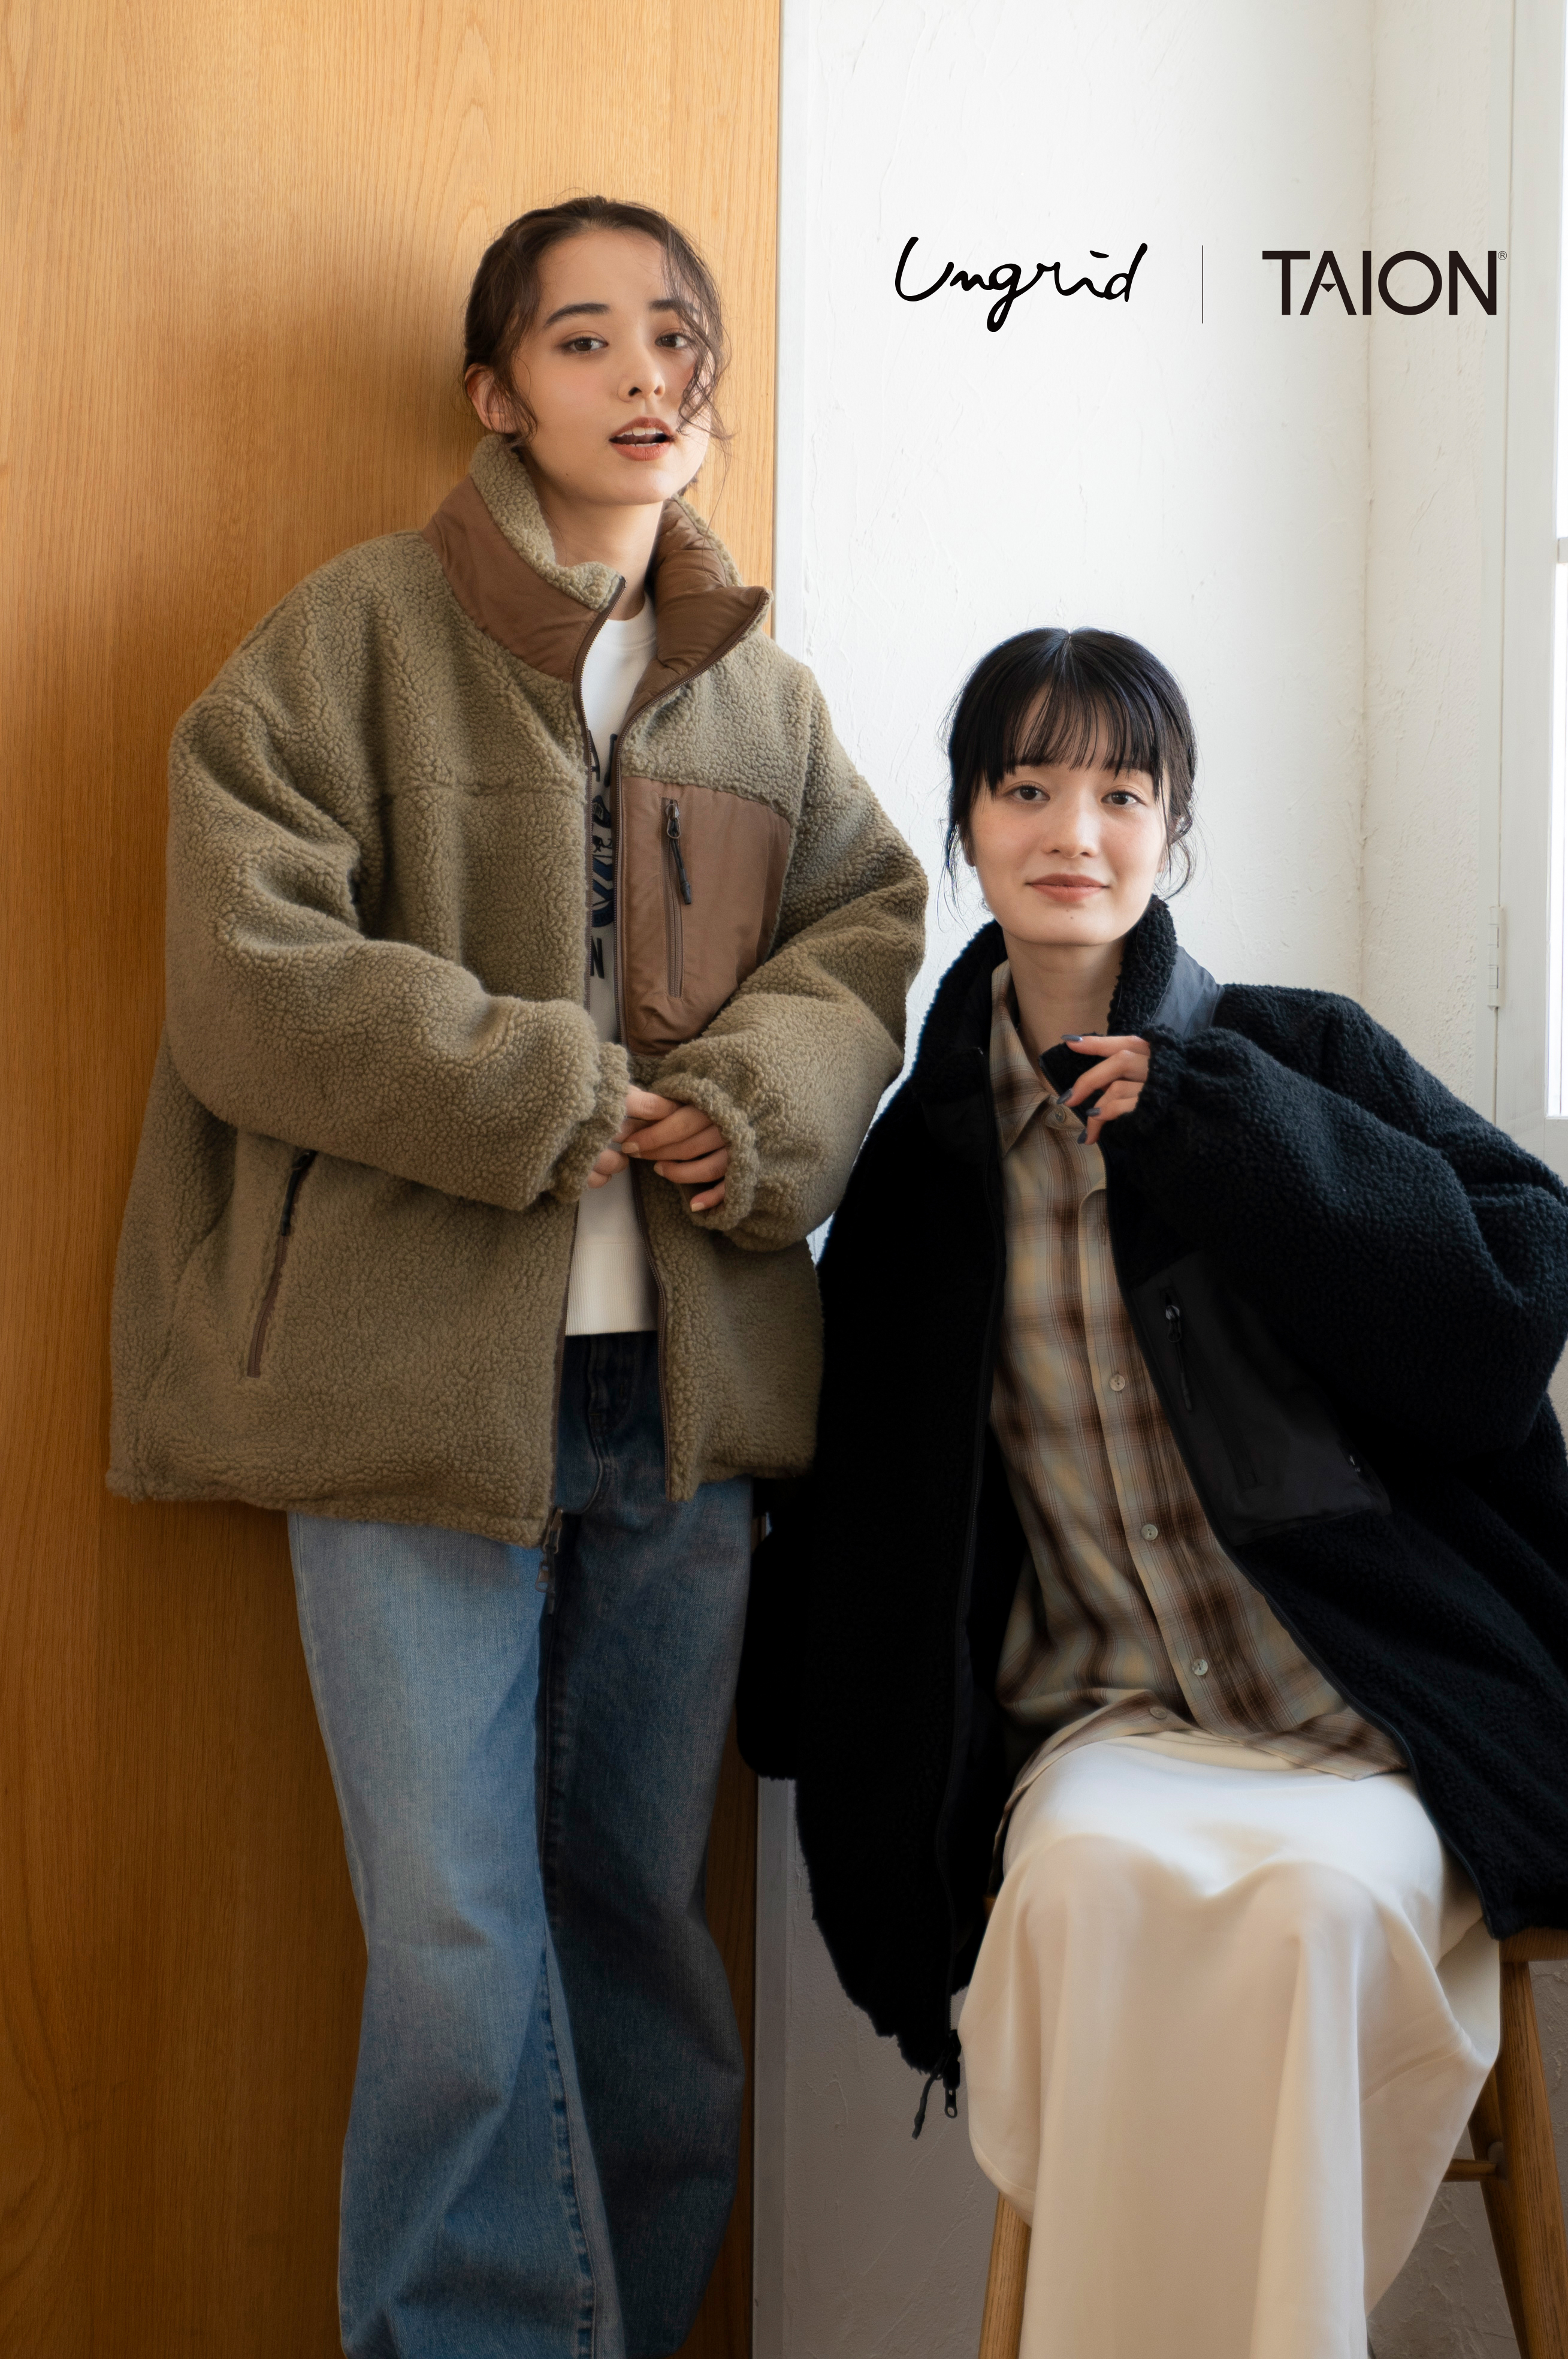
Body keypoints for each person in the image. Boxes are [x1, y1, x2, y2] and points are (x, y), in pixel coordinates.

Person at [109, 196, 925, 2357]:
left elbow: (866, 936)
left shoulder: (763, 697)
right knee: (459, 1948)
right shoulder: (351, 636)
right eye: (584, 340)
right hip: (403, 1391)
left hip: (686, 1397)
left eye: (677, 337)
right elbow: (245, 969)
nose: (646, 375)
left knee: (640, 1926)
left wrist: (752, 1105)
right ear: (495, 393)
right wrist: (538, 1086)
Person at [739, 626, 1568, 2358]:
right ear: (968, 825)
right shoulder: (916, 1179)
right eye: (1027, 786)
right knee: (1091, 1899)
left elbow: (1511, 1301)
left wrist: (1231, 1128)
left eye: (1123, 793)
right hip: (1103, 1728)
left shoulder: (1296, 1057)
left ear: (1173, 831)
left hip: (1368, 1726)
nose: (1075, 830)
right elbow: (865, 1510)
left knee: (1314, 1914)